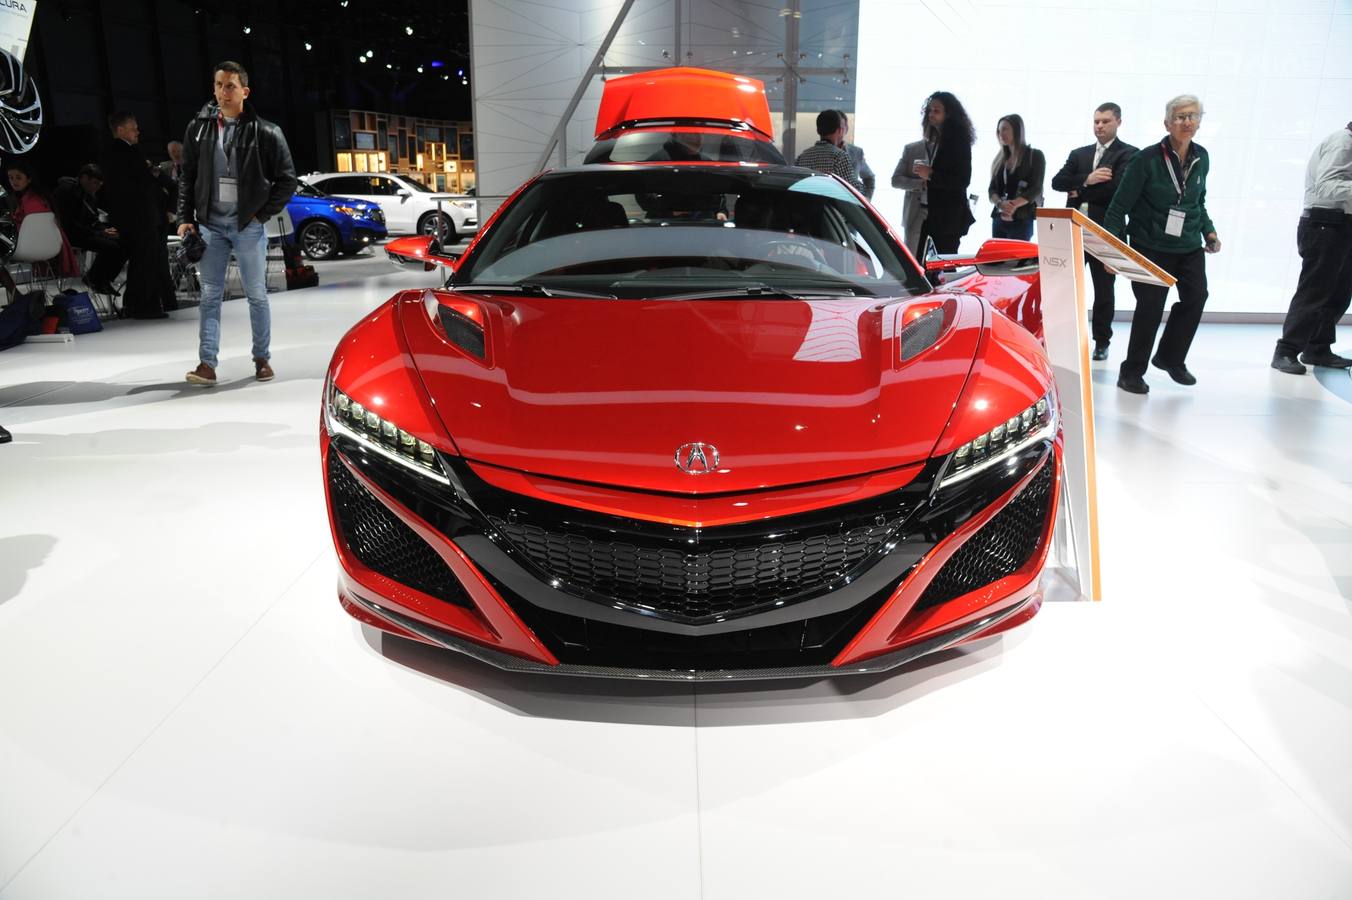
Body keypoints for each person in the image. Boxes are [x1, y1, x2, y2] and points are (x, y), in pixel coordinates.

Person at [178, 60, 297, 386]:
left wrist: (260, 215)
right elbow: (187, 176)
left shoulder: (268, 132)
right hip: (210, 226)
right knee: (209, 296)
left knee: (256, 294)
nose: (222, 92)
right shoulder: (198, 128)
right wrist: (184, 219)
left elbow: (287, 181)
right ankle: (207, 364)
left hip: (248, 226)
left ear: (245, 91)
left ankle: (262, 358)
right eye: (218, 85)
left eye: (229, 85)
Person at [1104, 94, 1220, 394]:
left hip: (1189, 245)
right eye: (1180, 116)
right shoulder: (1146, 159)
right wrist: (1113, 251)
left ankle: (1170, 358)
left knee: (1197, 297)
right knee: (1151, 307)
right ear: (1167, 122)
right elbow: (1118, 208)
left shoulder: (1201, 157)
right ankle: (1131, 372)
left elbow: (1198, 202)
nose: (1187, 121)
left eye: (1193, 116)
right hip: (1149, 246)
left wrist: (1209, 232)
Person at [1051, 103, 1139, 360]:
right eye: (1096, 121)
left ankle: (1102, 341)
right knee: (1067, 288)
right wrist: (1088, 179)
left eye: (1105, 121)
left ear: (1118, 122)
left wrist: (1078, 188)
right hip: (1073, 231)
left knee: (1103, 289)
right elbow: (1058, 182)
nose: (1099, 126)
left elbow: (1117, 190)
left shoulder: (1128, 154)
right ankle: (1064, 338)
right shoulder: (1079, 153)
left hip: (1104, 232)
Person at [1272, 122, 1352, 374]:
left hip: (1342, 224)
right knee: (1315, 291)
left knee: (1340, 292)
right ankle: (1285, 351)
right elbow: (1327, 186)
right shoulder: (1343, 142)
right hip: (1325, 223)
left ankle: (1317, 348)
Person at [101, 111, 176, 318]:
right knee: (146, 261)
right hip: (140, 216)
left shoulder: (109, 153)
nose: (137, 131)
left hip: (127, 216)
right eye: (133, 127)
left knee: (140, 260)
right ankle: (145, 306)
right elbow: (144, 183)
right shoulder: (130, 152)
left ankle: (135, 304)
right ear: (120, 130)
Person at [914, 91, 976, 255]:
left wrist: (931, 175)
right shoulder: (940, 138)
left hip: (948, 218)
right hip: (937, 215)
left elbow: (962, 179)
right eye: (929, 110)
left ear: (949, 113)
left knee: (942, 264)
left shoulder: (958, 139)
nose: (931, 114)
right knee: (925, 262)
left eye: (936, 110)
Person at [53, 163, 127, 295]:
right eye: (95, 183)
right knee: (111, 247)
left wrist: (105, 230)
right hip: (67, 234)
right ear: (84, 178)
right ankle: (94, 279)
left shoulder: (88, 194)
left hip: (83, 232)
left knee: (124, 243)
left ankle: (102, 280)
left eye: (99, 184)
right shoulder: (66, 191)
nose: (97, 187)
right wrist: (100, 232)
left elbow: (92, 219)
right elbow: (68, 223)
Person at [6, 161, 79, 277]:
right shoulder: (40, 197)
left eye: (18, 177)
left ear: (29, 179)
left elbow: (25, 227)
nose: (13, 181)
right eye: (10, 178)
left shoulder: (31, 200)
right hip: (52, 245)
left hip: (29, 245)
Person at [987, 114, 1045, 241]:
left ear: (1017, 130)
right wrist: (1001, 204)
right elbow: (992, 190)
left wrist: (1012, 205)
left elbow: (1036, 188)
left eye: (1005, 129)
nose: (1001, 133)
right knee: (997, 259)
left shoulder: (1034, 156)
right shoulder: (1000, 159)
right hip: (999, 218)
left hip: (1021, 218)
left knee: (1017, 258)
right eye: (999, 130)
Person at [794, 109, 864, 193]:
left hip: (807, 205)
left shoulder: (803, 157)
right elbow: (854, 190)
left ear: (818, 130)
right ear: (840, 130)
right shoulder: (839, 156)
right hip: (830, 205)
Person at [891, 134, 931, 254]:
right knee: (911, 256)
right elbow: (896, 180)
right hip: (915, 211)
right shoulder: (911, 149)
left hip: (940, 211)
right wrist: (921, 184)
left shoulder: (948, 149)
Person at [836, 111, 875, 199]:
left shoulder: (856, 152)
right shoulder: (820, 153)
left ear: (846, 128)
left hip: (849, 203)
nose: (840, 130)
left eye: (842, 127)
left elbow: (869, 177)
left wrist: (866, 200)